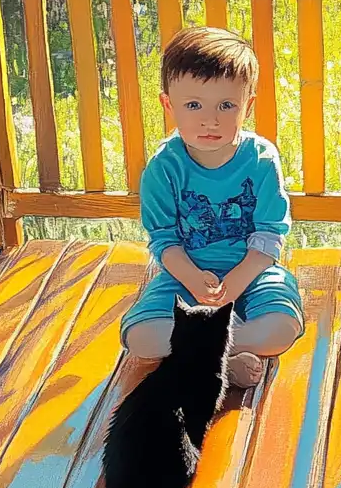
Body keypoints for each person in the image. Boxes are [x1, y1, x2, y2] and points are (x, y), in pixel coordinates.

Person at [121, 27, 302, 391]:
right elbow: (164, 239)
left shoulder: (261, 160)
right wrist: (191, 278)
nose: (210, 120)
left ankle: (205, 355)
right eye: (193, 105)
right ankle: (226, 359)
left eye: (226, 105)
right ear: (168, 105)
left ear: (247, 105)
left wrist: (235, 283)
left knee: (282, 327)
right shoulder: (164, 167)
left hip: (250, 273)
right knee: (140, 337)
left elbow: (269, 235)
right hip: (186, 275)